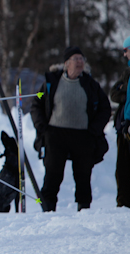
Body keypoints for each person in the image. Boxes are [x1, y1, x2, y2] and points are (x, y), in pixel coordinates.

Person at [30, 46, 111, 212]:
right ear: (67, 63)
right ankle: (47, 209)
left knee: (83, 176)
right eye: (76, 59)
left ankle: (84, 209)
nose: (80, 62)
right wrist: (42, 128)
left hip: (83, 136)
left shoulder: (90, 84)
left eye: (82, 59)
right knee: (52, 174)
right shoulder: (51, 82)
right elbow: (36, 103)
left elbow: (105, 108)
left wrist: (94, 130)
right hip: (55, 134)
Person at [112, 35, 130, 208]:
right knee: (122, 169)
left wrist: (129, 119)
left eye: (126, 50)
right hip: (124, 125)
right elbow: (114, 93)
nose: (125, 55)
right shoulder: (128, 70)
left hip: (129, 124)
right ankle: (123, 204)